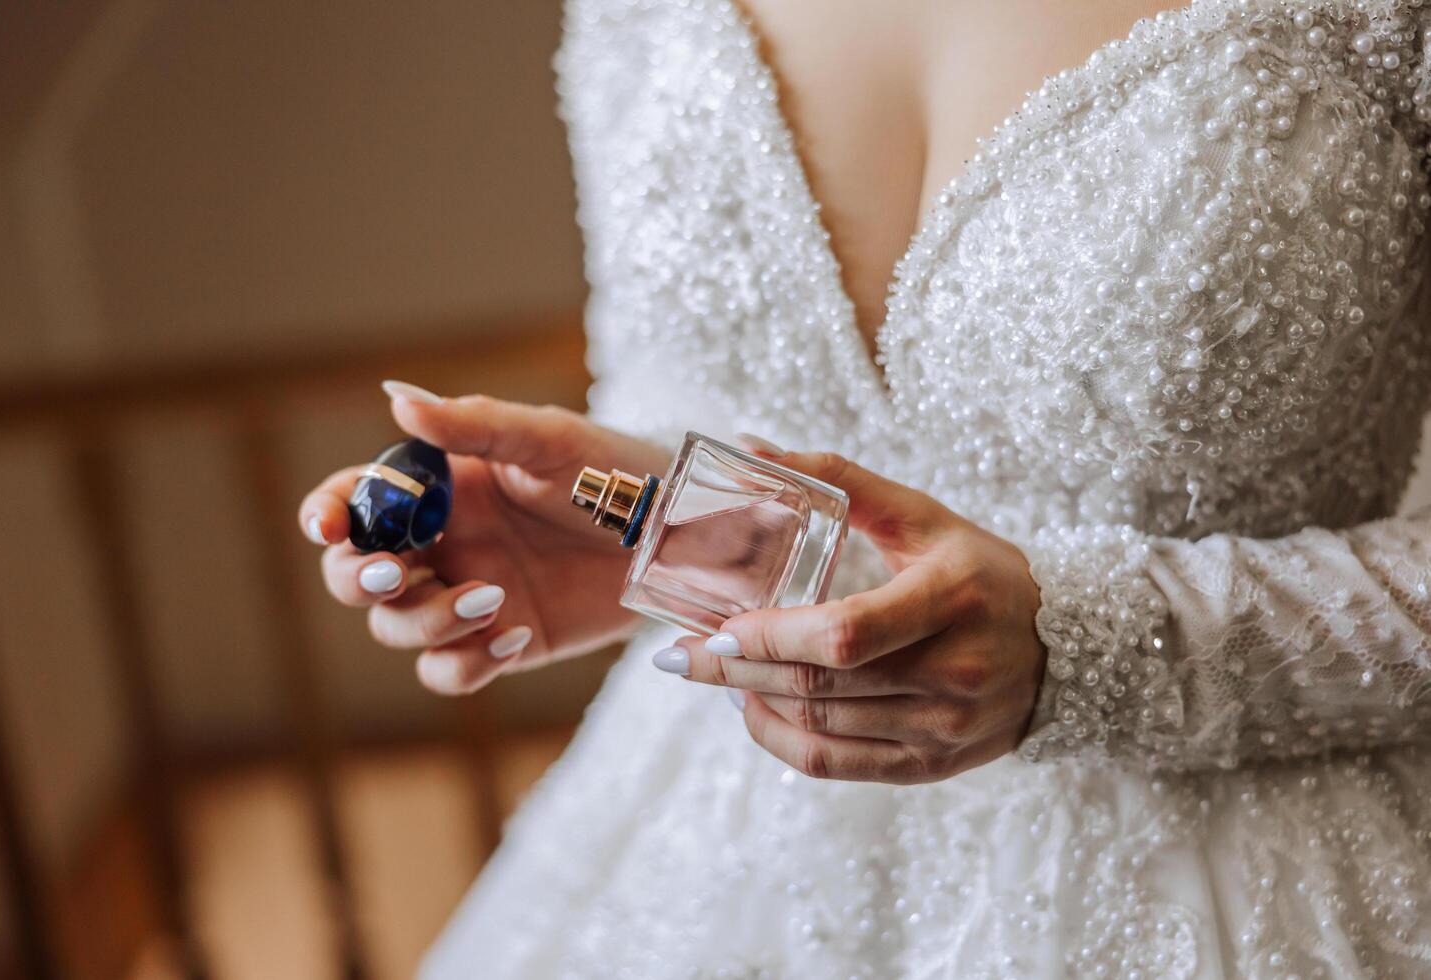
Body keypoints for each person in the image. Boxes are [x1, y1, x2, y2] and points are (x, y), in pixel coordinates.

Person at [300, 1, 1431, 975]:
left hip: (1256, 874)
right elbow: (690, 395)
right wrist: (641, 536)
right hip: (718, 844)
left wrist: (1087, 649)